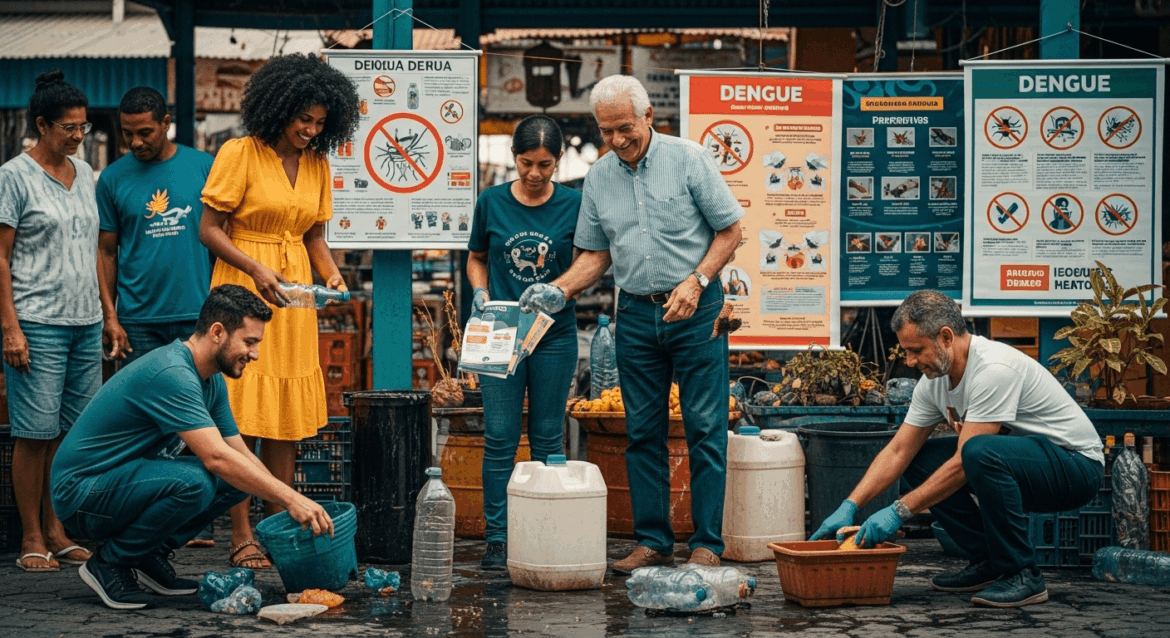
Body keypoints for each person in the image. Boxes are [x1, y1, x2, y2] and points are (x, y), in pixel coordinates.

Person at [519, 75, 743, 572]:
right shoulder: (599, 177)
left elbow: (731, 231)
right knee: (641, 430)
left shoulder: (688, 158)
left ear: (648, 118)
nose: (617, 140)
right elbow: (596, 255)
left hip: (696, 309)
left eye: (625, 128)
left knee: (706, 427)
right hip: (637, 315)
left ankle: (707, 543)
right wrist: (562, 288)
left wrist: (698, 281)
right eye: (607, 131)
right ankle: (653, 541)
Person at [809, 290, 1104, 608]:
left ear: (946, 337)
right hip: (1019, 464)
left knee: (978, 452)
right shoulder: (933, 382)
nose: (909, 362)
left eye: (915, 350)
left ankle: (1023, 575)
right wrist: (850, 505)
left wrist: (899, 511)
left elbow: (965, 462)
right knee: (921, 459)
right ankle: (988, 562)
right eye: (905, 352)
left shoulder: (994, 369)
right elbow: (898, 452)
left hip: (1074, 467)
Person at [50, 285, 335, 611]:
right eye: (250, 342)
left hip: (119, 483)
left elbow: (239, 453)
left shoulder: (210, 378)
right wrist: (290, 499)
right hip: (81, 495)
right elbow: (216, 458)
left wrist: (292, 500)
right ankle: (109, 563)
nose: (255, 353)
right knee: (198, 482)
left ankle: (145, 553)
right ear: (217, 332)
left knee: (235, 478)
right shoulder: (173, 373)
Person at [198, 53, 359, 569]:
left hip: (294, 297)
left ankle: (277, 528)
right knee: (240, 415)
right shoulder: (239, 153)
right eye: (303, 120)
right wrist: (257, 269)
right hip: (245, 288)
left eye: (319, 123)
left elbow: (314, 234)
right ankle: (241, 534)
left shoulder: (316, 161)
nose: (311, 131)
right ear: (278, 108)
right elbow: (209, 229)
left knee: (284, 418)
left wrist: (331, 273)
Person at [96, 87, 218, 548]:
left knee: (202, 418)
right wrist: (112, 315)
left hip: (198, 319)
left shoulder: (202, 166)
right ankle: (147, 519)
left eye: (144, 132)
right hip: (139, 321)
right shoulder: (112, 179)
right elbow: (106, 251)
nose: (136, 142)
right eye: (128, 133)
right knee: (145, 425)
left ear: (166, 121)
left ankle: (191, 517)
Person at [466, 115, 581, 570]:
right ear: (514, 157)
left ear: (558, 162)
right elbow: (476, 259)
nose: (534, 174)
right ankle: (498, 538)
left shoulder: (574, 203)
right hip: (500, 332)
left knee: (548, 438)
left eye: (545, 165)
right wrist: (479, 290)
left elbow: (592, 263)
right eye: (526, 163)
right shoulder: (491, 201)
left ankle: (545, 527)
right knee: (499, 437)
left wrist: (564, 290)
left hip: (555, 335)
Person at [0, 69, 100, 573]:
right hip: (36, 321)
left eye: (83, 127)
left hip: (87, 322)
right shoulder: (12, 176)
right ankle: (31, 535)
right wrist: (10, 328)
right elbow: (0, 257)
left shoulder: (87, 176)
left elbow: (96, 251)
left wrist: (110, 317)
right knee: (35, 432)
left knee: (71, 433)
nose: (79, 136)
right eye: (69, 128)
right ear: (43, 124)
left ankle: (58, 529)